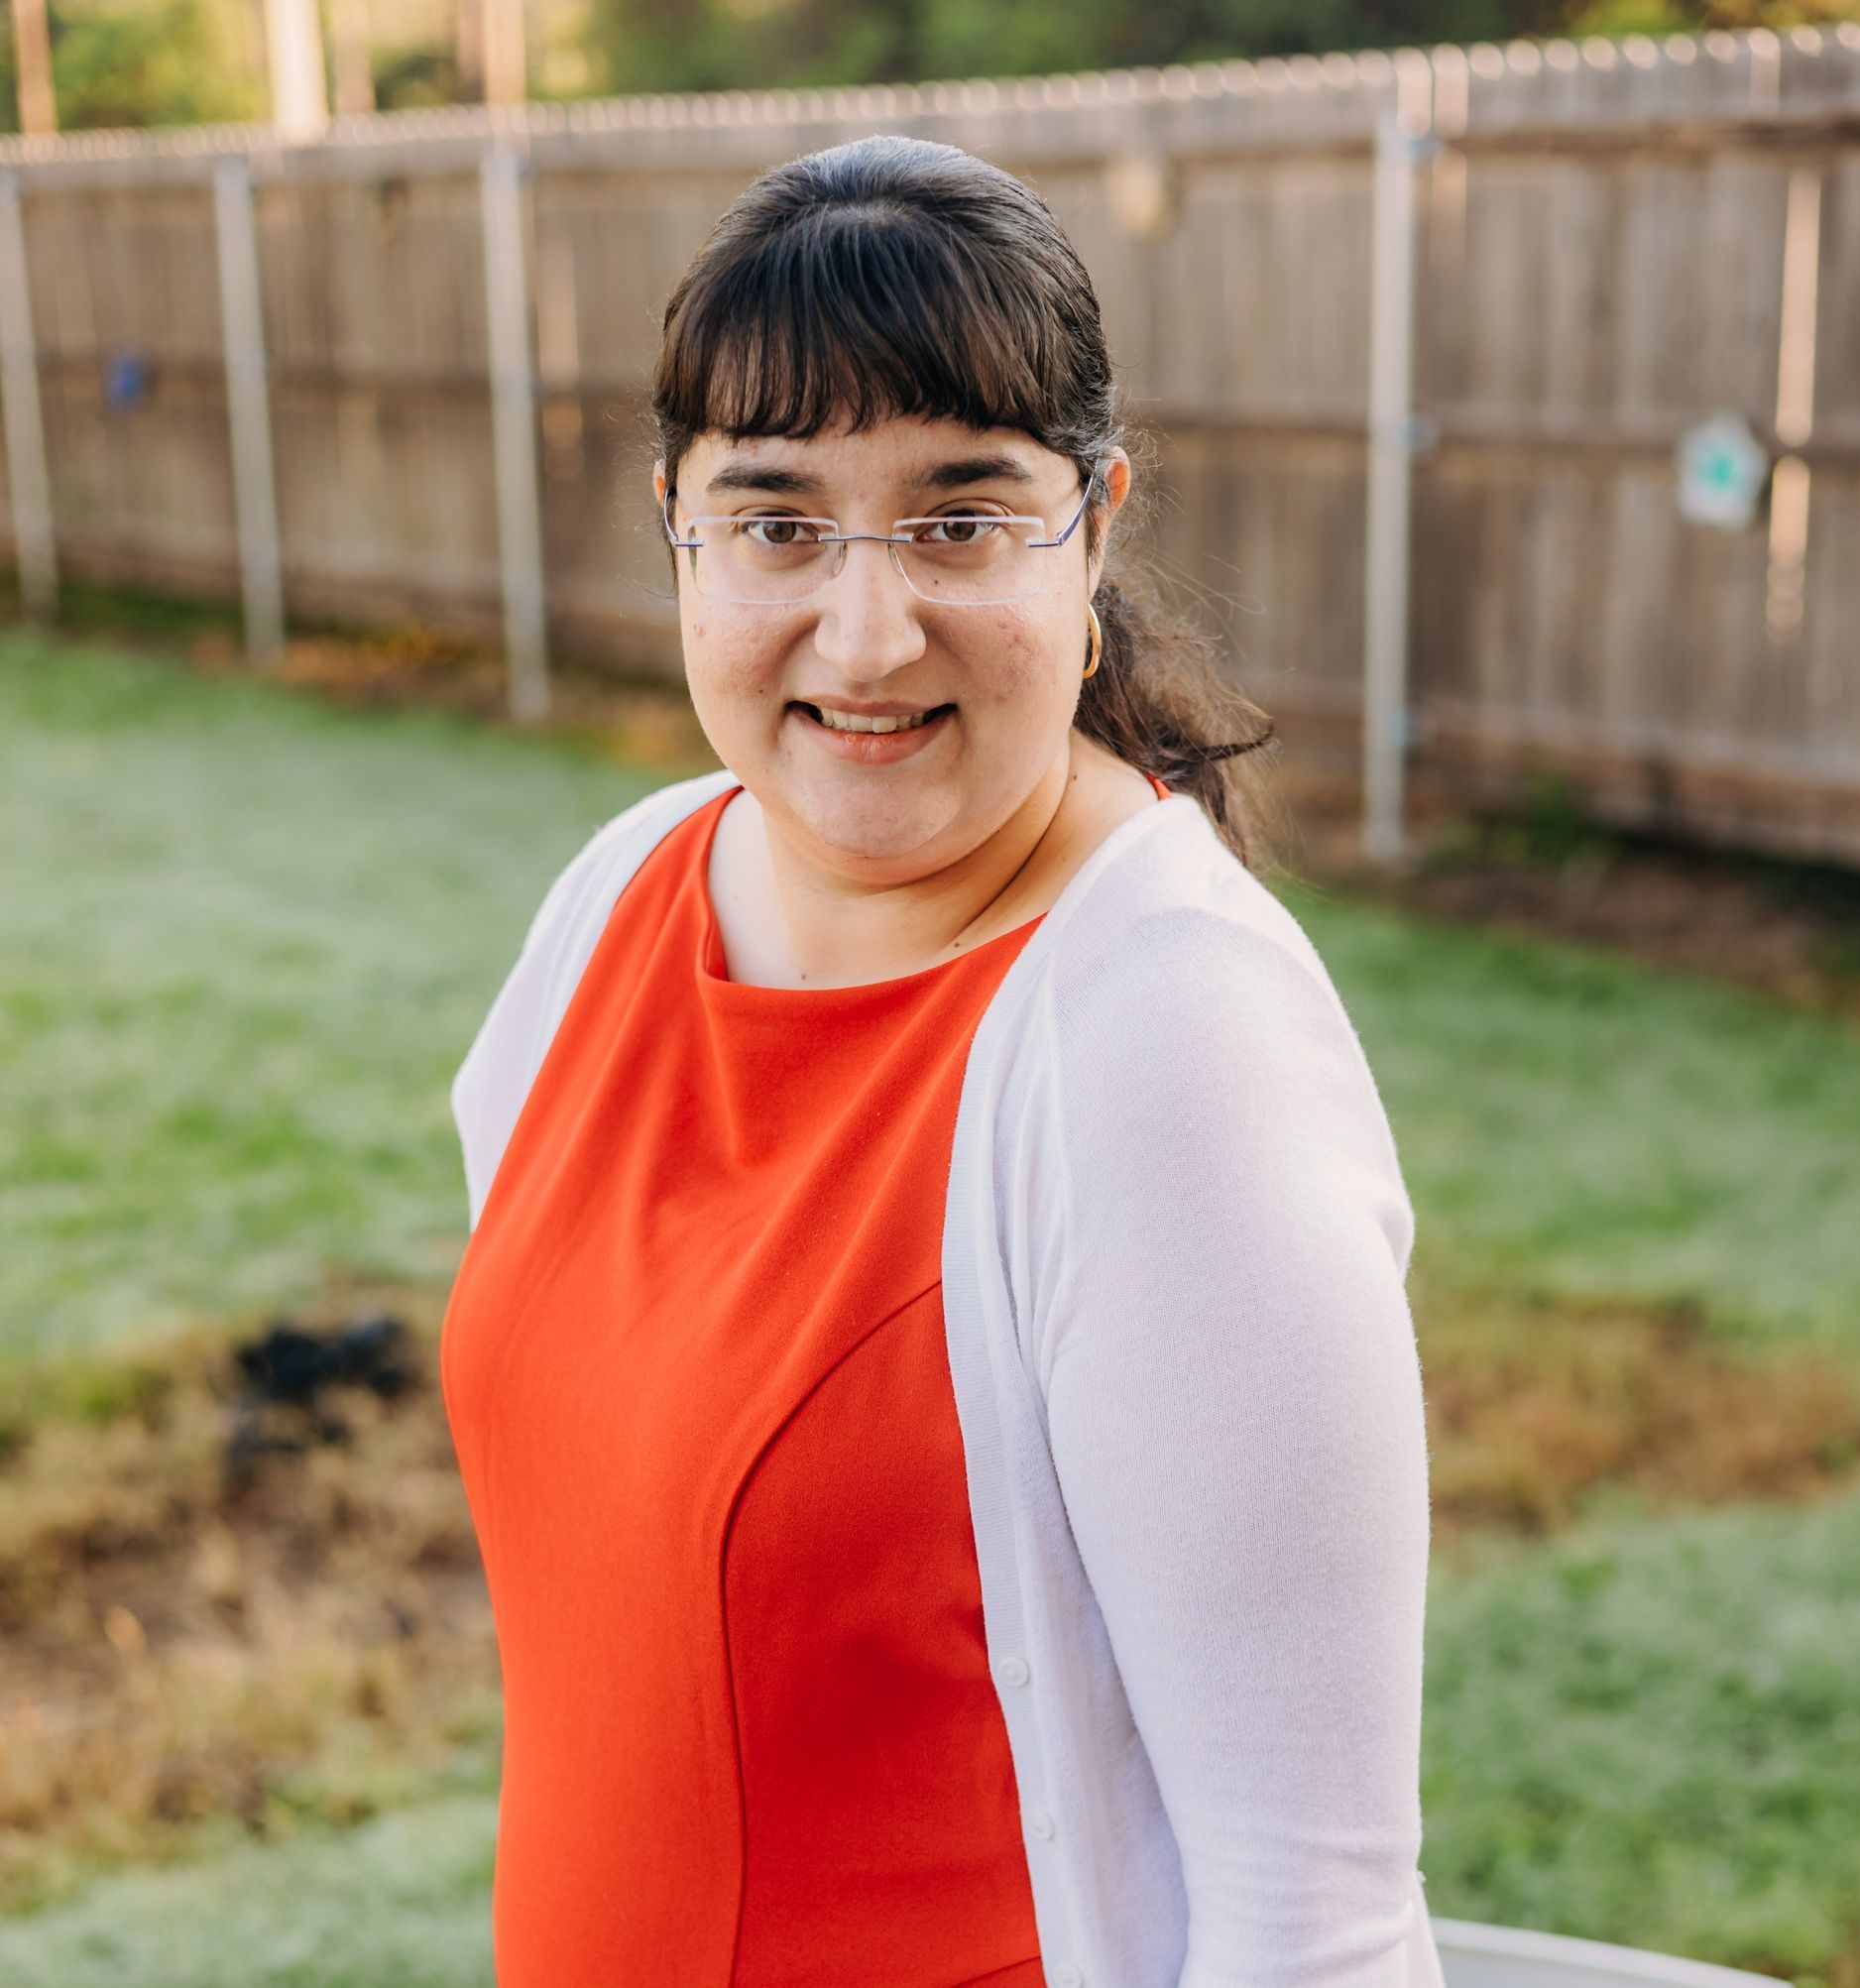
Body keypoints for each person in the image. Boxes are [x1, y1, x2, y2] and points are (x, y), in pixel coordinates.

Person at [442, 133, 1443, 1988]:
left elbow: (1319, 1924)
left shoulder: (1168, 1048)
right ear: (676, 522)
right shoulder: (613, 904)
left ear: (1098, 523)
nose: (867, 627)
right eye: (778, 521)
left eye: (958, 519)